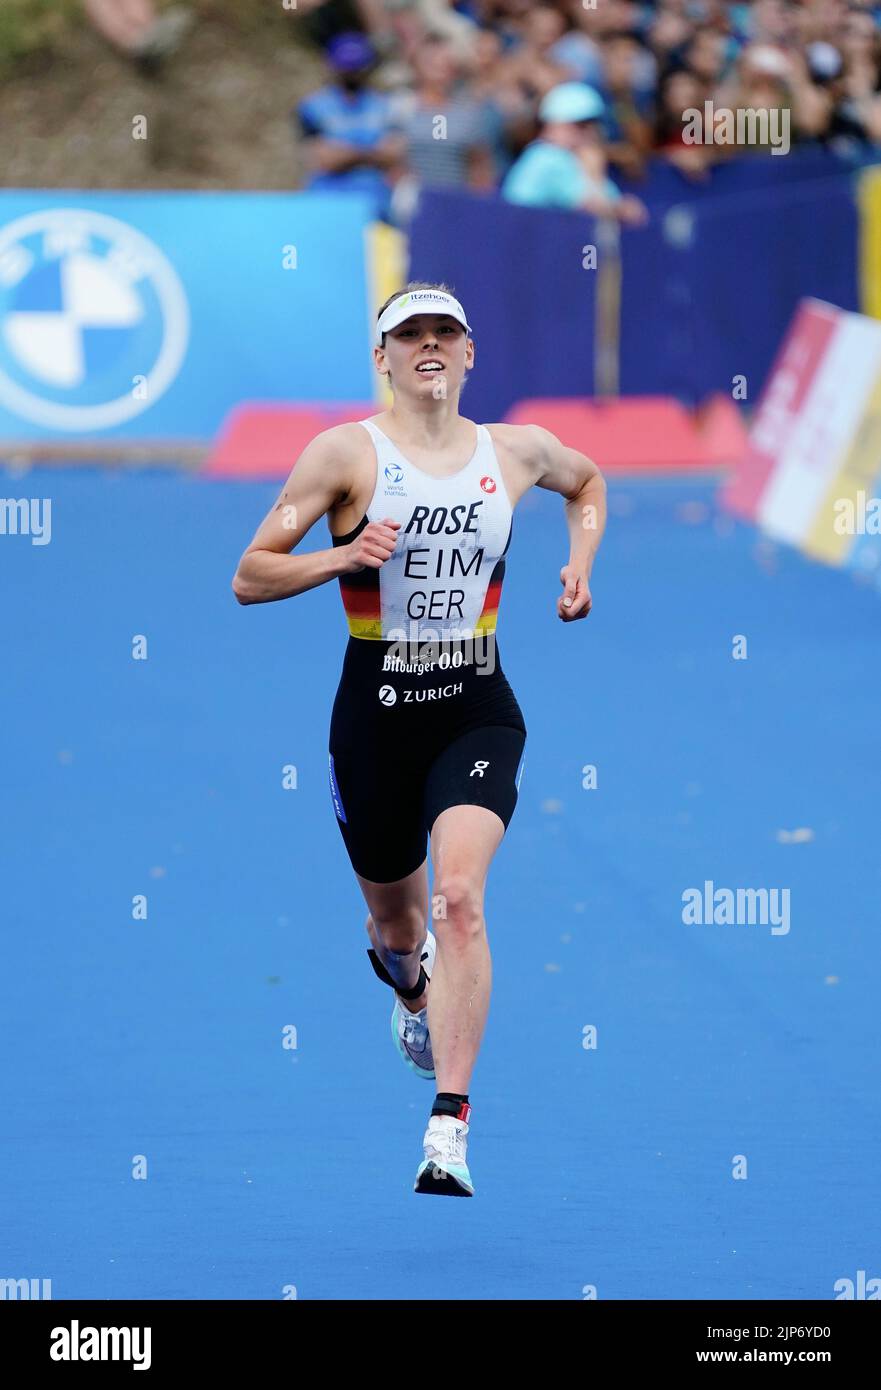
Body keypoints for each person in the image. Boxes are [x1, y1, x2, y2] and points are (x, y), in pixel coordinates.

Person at [232, 282, 606, 1196]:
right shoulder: (343, 454)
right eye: (410, 336)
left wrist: (579, 565)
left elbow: (589, 483)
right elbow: (250, 574)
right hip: (373, 720)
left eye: (446, 332)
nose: (428, 346)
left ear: (470, 353)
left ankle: (448, 1125)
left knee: (459, 901)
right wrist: (339, 556)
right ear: (383, 359)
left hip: (477, 706)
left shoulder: (514, 452)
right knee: (399, 928)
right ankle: (408, 990)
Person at [502, 81, 648, 222]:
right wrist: (618, 207)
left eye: (592, 125)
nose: (590, 133)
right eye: (580, 125)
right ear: (553, 125)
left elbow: (625, 209)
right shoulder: (546, 155)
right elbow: (592, 205)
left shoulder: (576, 158)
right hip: (524, 240)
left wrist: (623, 206)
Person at [295, 31, 405, 218]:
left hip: (377, 204)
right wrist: (371, 153)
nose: (352, 73)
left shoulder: (385, 104)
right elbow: (324, 159)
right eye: (347, 68)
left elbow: (394, 155)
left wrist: (346, 153)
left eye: (357, 67)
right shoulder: (313, 106)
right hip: (327, 204)